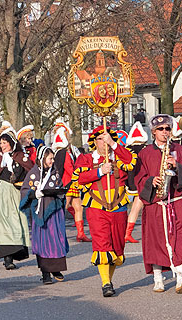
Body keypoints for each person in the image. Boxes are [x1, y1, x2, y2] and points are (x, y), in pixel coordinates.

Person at [135, 114, 182, 293]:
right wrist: (150, 181)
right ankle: (158, 278)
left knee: (181, 239)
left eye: (168, 129)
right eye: (161, 129)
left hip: (176, 201)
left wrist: (177, 165)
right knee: (156, 241)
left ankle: (181, 277)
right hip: (156, 203)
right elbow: (139, 177)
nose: (165, 132)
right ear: (154, 132)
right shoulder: (145, 153)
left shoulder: (178, 149)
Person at [72, 126, 136, 297]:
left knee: (116, 247)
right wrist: (100, 171)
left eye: (106, 137)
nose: (103, 142)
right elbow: (78, 179)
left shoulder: (119, 155)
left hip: (118, 206)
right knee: (102, 244)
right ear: (94, 142)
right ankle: (105, 283)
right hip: (96, 207)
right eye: (100, 138)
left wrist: (114, 144)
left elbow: (131, 161)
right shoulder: (86, 159)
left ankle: (110, 278)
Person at [20, 145, 69, 284]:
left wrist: (60, 194)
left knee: (56, 239)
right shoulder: (33, 173)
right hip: (40, 213)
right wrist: (35, 194)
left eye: (53, 158)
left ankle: (56, 268)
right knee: (42, 243)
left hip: (55, 212)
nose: (52, 161)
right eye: (50, 158)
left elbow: (59, 186)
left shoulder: (55, 172)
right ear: (42, 159)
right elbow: (24, 191)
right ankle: (45, 272)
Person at [0, 125, 33, 270]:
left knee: (16, 221)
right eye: (0, 143)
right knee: (3, 222)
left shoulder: (20, 156)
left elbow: (30, 171)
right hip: (1, 192)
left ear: (11, 143)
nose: (2, 146)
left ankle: (15, 252)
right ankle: (7, 258)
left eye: (4, 143)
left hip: (15, 193)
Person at [51, 120, 91, 242]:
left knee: (77, 208)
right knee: (65, 207)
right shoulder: (65, 153)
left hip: (69, 183)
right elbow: (69, 168)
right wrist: (78, 177)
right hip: (68, 183)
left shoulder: (58, 152)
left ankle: (80, 234)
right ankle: (57, 233)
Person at [124, 121, 149, 243]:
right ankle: (128, 233)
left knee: (132, 208)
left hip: (129, 182)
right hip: (143, 182)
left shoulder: (127, 150)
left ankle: (127, 232)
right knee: (140, 208)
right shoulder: (146, 149)